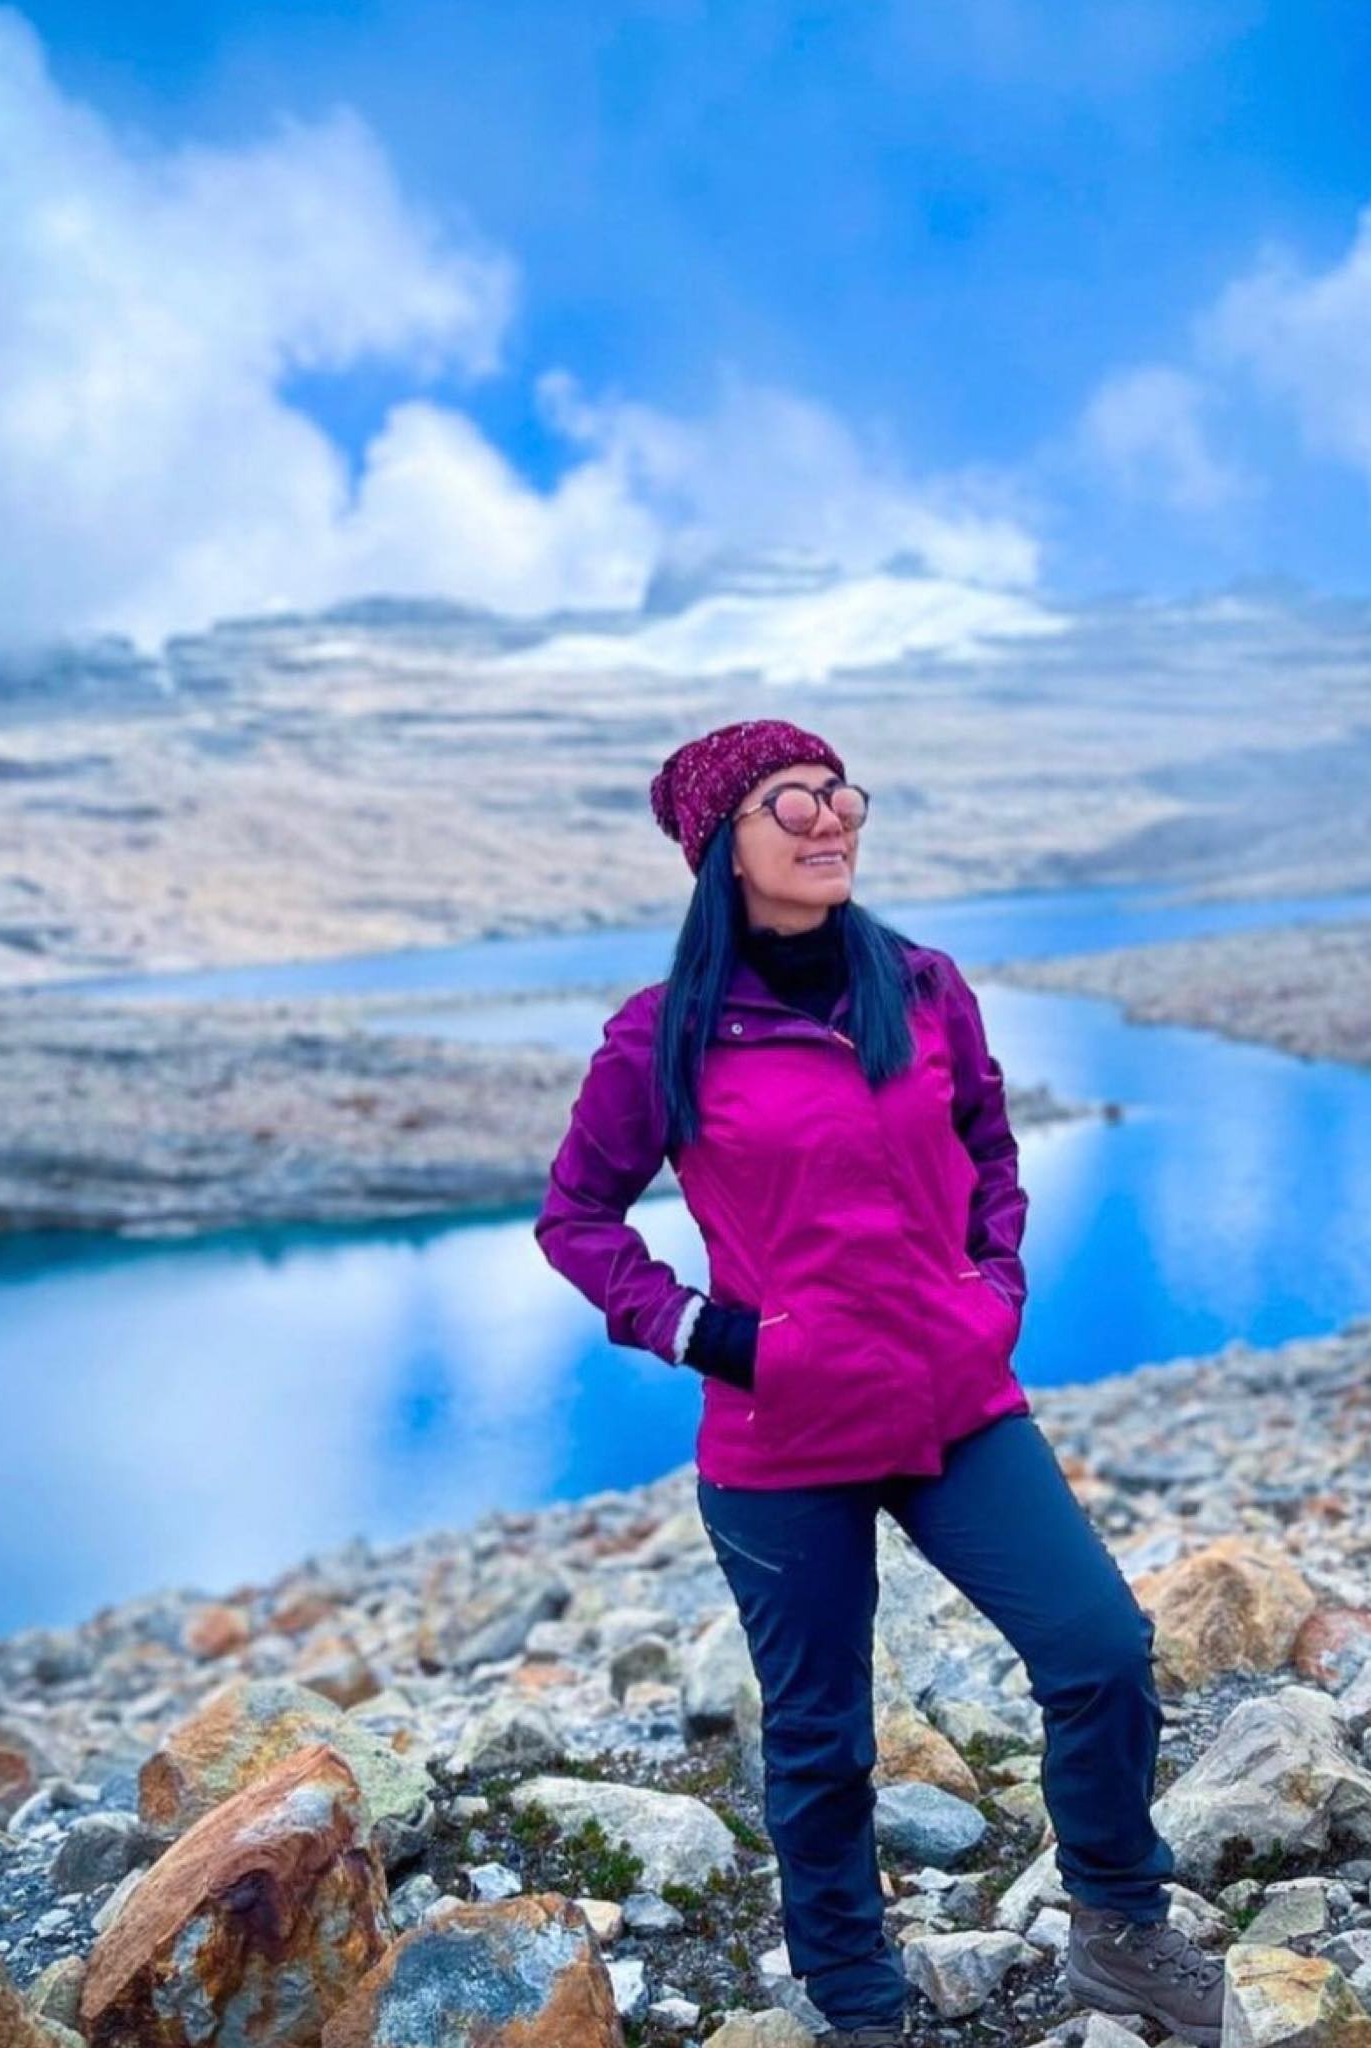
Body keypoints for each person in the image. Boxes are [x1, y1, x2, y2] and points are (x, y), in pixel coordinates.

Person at [534, 718, 1226, 2048]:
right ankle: (857, 2001)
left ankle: (1120, 1929)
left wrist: (992, 1290)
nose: (830, 820)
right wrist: (708, 1334)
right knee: (821, 1737)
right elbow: (578, 1220)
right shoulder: (661, 1036)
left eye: (840, 794)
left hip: (953, 1404)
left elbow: (988, 1145)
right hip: (781, 1432)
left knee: (1099, 1649)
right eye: (792, 804)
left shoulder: (920, 986)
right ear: (722, 847)